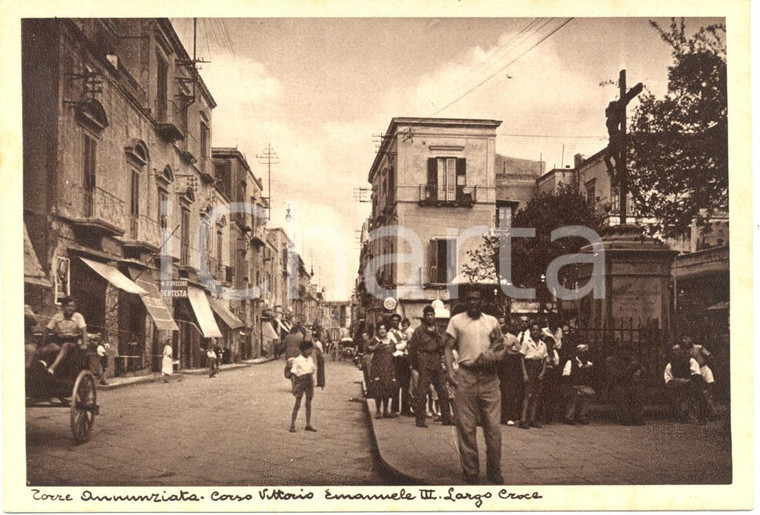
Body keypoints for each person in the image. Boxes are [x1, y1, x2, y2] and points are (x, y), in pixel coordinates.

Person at [444, 289, 505, 485]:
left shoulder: (492, 322)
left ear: (482, 301)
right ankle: (471, 470)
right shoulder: (456, 321)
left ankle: (494, 471)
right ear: (465, 301)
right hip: (466, 375)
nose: (473, 302)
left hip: (489, 377)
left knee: (493, 428)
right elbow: (447, 347)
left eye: (476, 299)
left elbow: (500, 346)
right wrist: (450, 372)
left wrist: (492, 356)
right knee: (466, 426)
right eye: (469, 299)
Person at [408, 305, 453, 428]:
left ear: (434, 316)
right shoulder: (418, 331)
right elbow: (412, 348)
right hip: (424, 359)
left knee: (443, 391)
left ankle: (446, 418)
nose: (429, 317)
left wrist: (437, 335)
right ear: (424, 316)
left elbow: (444, 343)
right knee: (422, 391)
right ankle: (420, 420)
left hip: (436, 359)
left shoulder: (439, 329)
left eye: (431, 314)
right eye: (427, 315)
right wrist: (415, 364)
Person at [43, 296, 88, 376]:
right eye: (68, 306)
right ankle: (43, 365)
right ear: (63, 307)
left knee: (65, 345)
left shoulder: (78, 316)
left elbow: (84, 331)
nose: (70, 308)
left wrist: (84, 344)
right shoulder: (57, 316)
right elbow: (47, 329)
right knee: (49, 347)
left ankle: (52, 368)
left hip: (73, 342)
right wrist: (46, 340)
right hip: (60, 340)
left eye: (72, 306)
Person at [664, 344, 708, 424]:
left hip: (689, 382)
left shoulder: (691, 361)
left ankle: (699, 416)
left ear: (682, 350)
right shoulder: (670, 364)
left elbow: (696, 374)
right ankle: (681, 416)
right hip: (677, 384)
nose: (675, 352)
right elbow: (668, 378)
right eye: (673, 350)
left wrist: (688, 381)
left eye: (677, 350)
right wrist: (678, 380)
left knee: (696, 392)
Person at [605, 342, 645, 425]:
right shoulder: (611, 360)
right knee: (621, 393)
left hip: (629, 383)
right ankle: (625, 418)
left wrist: (639, 371)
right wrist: (630, 368)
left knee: (637, 391)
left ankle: (637, 417)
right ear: (619, 351)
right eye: (624, 350)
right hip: (615, 384)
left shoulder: (631, 359)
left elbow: (642, 368)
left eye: (628, 350)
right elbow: (617, 376)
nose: (626, 353)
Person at [518, 323, 547, 429]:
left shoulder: (543, 345)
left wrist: (543, 372)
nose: (535, 332)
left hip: (538, 368)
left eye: (537, 330)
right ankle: (523, 419)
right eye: (533, 330)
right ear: (530, 331)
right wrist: (524, 373)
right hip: (529, 367)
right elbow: (521, 358)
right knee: (528, 395)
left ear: (540, 332)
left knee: (536, 396)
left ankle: (532, 419)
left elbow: (544, 360)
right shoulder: (526, 342)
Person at [680, 336, 717, 416]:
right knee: (699, 390)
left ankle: (713, 409)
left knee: (711, 386)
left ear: (691, 338)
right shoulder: (684, 351)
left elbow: (710, 356)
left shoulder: (699, 347)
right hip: (695, 371)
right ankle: (705, 411)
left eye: (686, 338)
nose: (684, 340)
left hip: (704, 368)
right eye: (683, 339)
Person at [367, 322, 397, 419]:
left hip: (388, 368)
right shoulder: (374, 340)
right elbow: (367, 348)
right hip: (378, 368)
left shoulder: (391, 341)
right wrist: (376, 345)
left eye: (384, 329)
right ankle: (378, 410)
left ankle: (386, 410)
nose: (382, 331)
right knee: (378, 390)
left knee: (387, 389)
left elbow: (395, 351)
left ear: (386, 330)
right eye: (380, 329)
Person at [497, 318, 523, 426]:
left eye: (502, 322)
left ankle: (507, 416)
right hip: (496, 365)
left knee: (508, 392)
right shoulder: (494, 337)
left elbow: (519, 351)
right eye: (499, 322)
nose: (500, 324)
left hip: (508, 367)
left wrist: (509, 352)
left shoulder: (513, 338)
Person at [562, 344, 595, 424]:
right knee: (574, 394)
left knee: (589, 394)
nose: (583, 354)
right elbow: (566, 376)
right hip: (573, 385)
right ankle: (569, 417)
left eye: (585, 352)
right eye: (581, 352)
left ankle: (582, 415)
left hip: (583, 386)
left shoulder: (589, 363)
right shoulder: (570, 362)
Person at [289, 340, 318, 433]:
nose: (311, 351)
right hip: (300, 381)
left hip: (309, 380)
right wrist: (293, 386)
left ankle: (308, 424)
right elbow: (293, 374)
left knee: (308, 403)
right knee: (297, 403)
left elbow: (313, 370)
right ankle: (292, 424)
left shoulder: (310, 359)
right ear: (304, 350)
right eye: (310, 349)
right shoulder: (297, 360)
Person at [389, 314, 412, 416]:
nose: (395, 322)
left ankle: (405, 408)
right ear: (391, 322)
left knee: (406, 385)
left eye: (397, 321)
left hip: (404, 360)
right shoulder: (389, 334)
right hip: (396, 360)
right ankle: (394, 409)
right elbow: (397, 347)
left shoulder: (401, 332)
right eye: (393, 320)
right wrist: (406, 342)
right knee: (396, 385)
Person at [537, 333, 561, 424]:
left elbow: (556, 363)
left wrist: (552, 358)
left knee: (550, 396)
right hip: (543, 373)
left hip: (551, 375)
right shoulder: (542, 350)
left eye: (551, 343)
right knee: (541, 395)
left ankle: (548, 417)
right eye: (547, 343)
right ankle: (539, 416)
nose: (549, 345)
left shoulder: (554, 352)